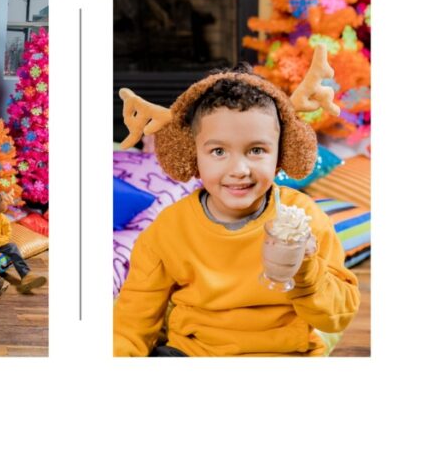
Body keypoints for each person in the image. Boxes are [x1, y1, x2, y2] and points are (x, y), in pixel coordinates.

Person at [113, 63, 360, 356]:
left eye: (256, 150)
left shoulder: (304, 217)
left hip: (283, 355)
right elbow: (131, 324)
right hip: (194, 353)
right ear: (194, 154)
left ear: (280, 152)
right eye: (218, 152)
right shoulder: (169, 228)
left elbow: (337, 317)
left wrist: (304, 268)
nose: (239, 170)